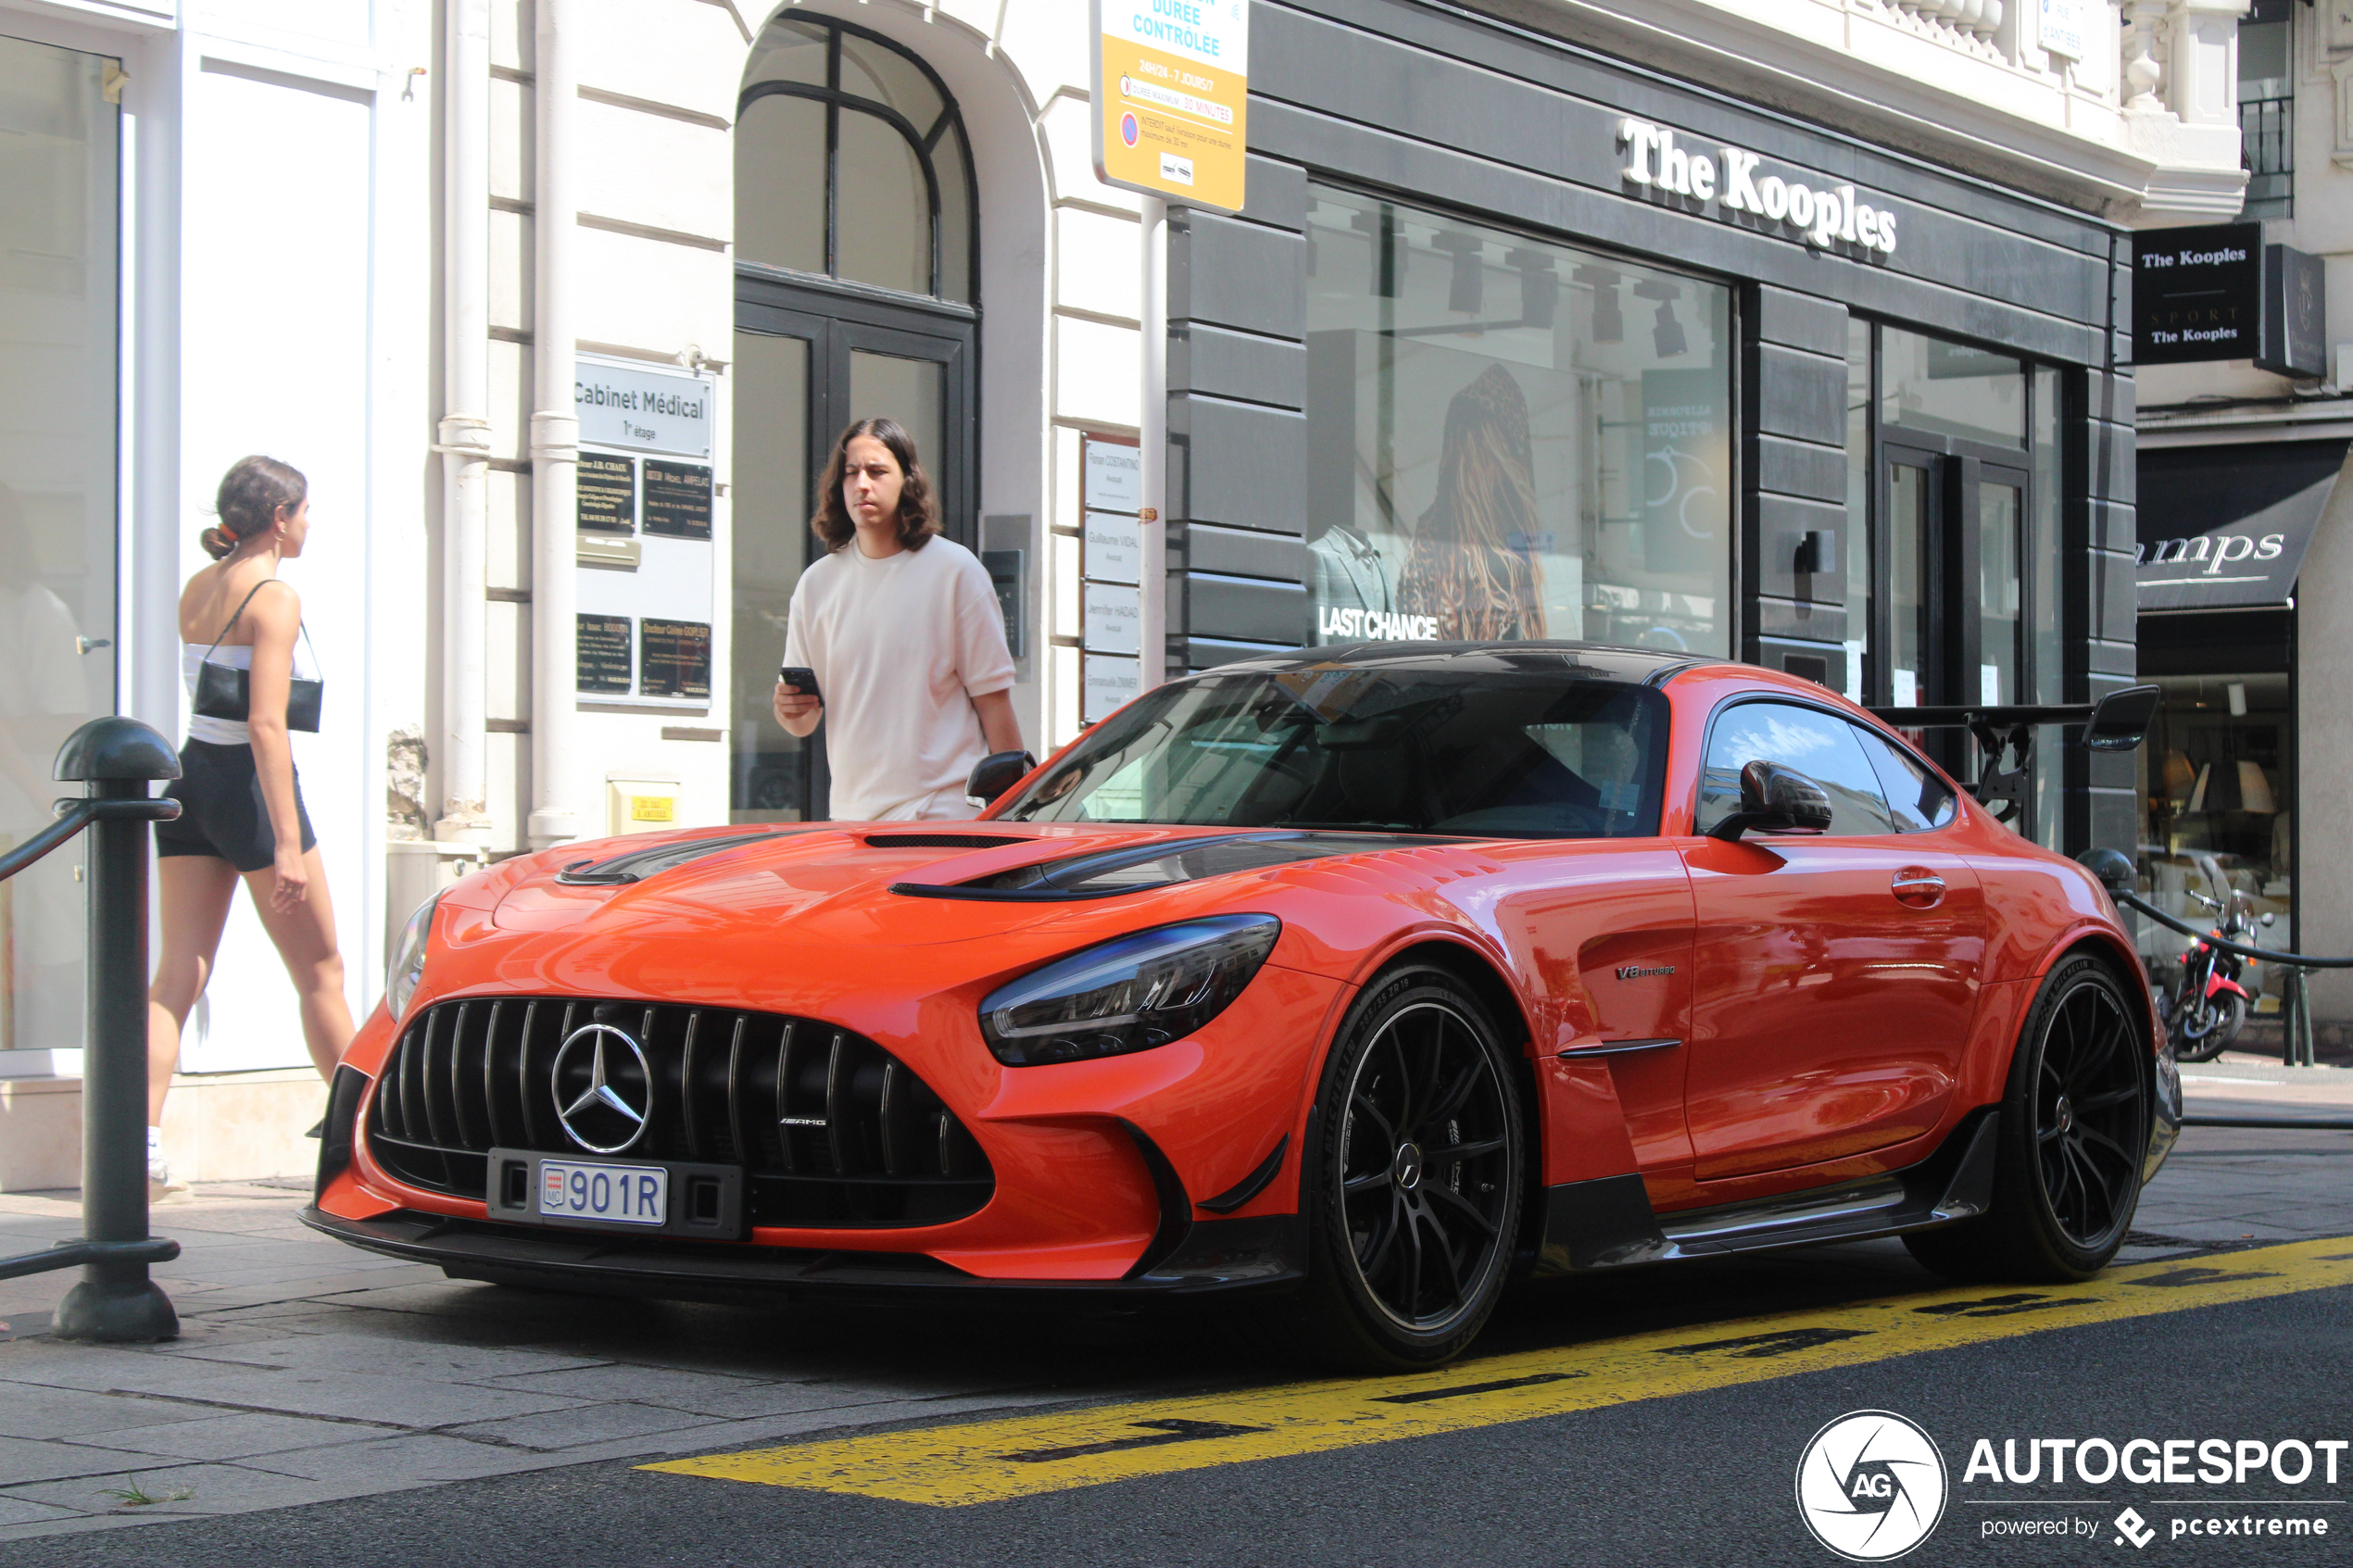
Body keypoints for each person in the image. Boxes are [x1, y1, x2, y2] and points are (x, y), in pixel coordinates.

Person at [146, 457, 354, 1198]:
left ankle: (139, 1145)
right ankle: (367, 1138)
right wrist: (287, 843)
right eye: (304, 510)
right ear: (278, 517)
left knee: (177, 973)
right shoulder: (275, 597)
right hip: (248, 789)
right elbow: (266, 723)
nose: (308, 523)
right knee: (322, 970)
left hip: (189, 778)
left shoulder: (198, 587)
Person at [772, 419, 1022, 821]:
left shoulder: (954, 571)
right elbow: (804, 721)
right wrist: (790, 710)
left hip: (942, 813)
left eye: (877, 471)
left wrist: (1013, 815)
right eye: (851, 473)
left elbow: (994, 704)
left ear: (907, 480)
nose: (862, 484)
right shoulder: (817, 584)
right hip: (851, 819)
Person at [1393, 364, 1547, 641]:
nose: (1470, 463)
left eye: (1484, 452)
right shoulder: (1436, 535)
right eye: (1468, 447)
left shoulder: (1518, 539)